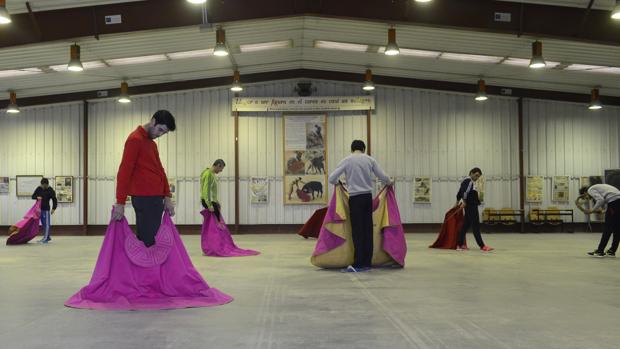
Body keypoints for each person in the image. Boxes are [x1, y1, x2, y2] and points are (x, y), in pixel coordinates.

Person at [112, 110, 176, 247]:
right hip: (145, 199)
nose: (160, 135)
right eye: (160, 130)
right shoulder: (135, 140)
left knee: (149, 240)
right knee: (150, 242)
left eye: (163, 133)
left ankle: (148, 267)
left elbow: (160, 170)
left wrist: (167, 196)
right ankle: (149, 268)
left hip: (155, 199)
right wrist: (120, 202)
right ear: (153, 121)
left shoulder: (151, 144)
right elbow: (124, 171)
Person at [328, 140, 392, 272]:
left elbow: (331, 178)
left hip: (355, 198)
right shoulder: (370, 159)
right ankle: (367, 262)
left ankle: (358, 263)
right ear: (363, 148)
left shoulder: (347, 160)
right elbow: (383, 176)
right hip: (367, 197)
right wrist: (389, 182)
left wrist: (337, 183)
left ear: (352, 149)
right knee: (368, 229)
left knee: (357, 231)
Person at [455, 168, 494, 252]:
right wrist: (464, 202)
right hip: (471, 206)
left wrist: (457, 202)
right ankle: (482, 246)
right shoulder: (469, 181)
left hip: (469, 206)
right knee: (476, 226)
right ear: (471, 173)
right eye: (476, 175)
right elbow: (464, 192)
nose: (476, 178)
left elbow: (459, 192)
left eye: (478, 176)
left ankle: (460, 244)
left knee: (465, 226)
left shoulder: (465, 181)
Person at [576, 184, 620, 257]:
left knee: (607, 228)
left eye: (585, 197)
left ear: (584, 193)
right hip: (616, 202)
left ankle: (600, 251)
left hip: (614, 202)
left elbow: (601, 200)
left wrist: (592, 210)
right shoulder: (598, 188)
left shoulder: (590, 190)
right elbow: (607, 200)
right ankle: (612, 250)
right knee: (617, 228)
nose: (587, 199)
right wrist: (604, 211)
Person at [200, 159, 226, 227]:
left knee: (215, 220)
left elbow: (212, 190)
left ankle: (213, 235)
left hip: (211, 201)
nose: (221, 171)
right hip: (208, 201)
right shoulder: (208, 174)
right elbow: (206, 190)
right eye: (221, 169)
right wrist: (209, 205)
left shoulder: (212, 174)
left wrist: (216, 200)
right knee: (216, 222)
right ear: (218, 165)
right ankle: (214, 236)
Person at [31, 178, 57, 243]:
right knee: (43, 224)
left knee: (47, 224)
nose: (42, 186)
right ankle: (47, 237)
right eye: (41, 185)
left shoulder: (50, 190)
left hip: (46, 210)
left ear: (46, 184)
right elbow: (33, 196)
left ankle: (45, 239)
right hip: (39, 210)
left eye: (43, 185)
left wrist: (54, 208)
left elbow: (54, 199)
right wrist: (37, 197)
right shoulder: (39, 188)